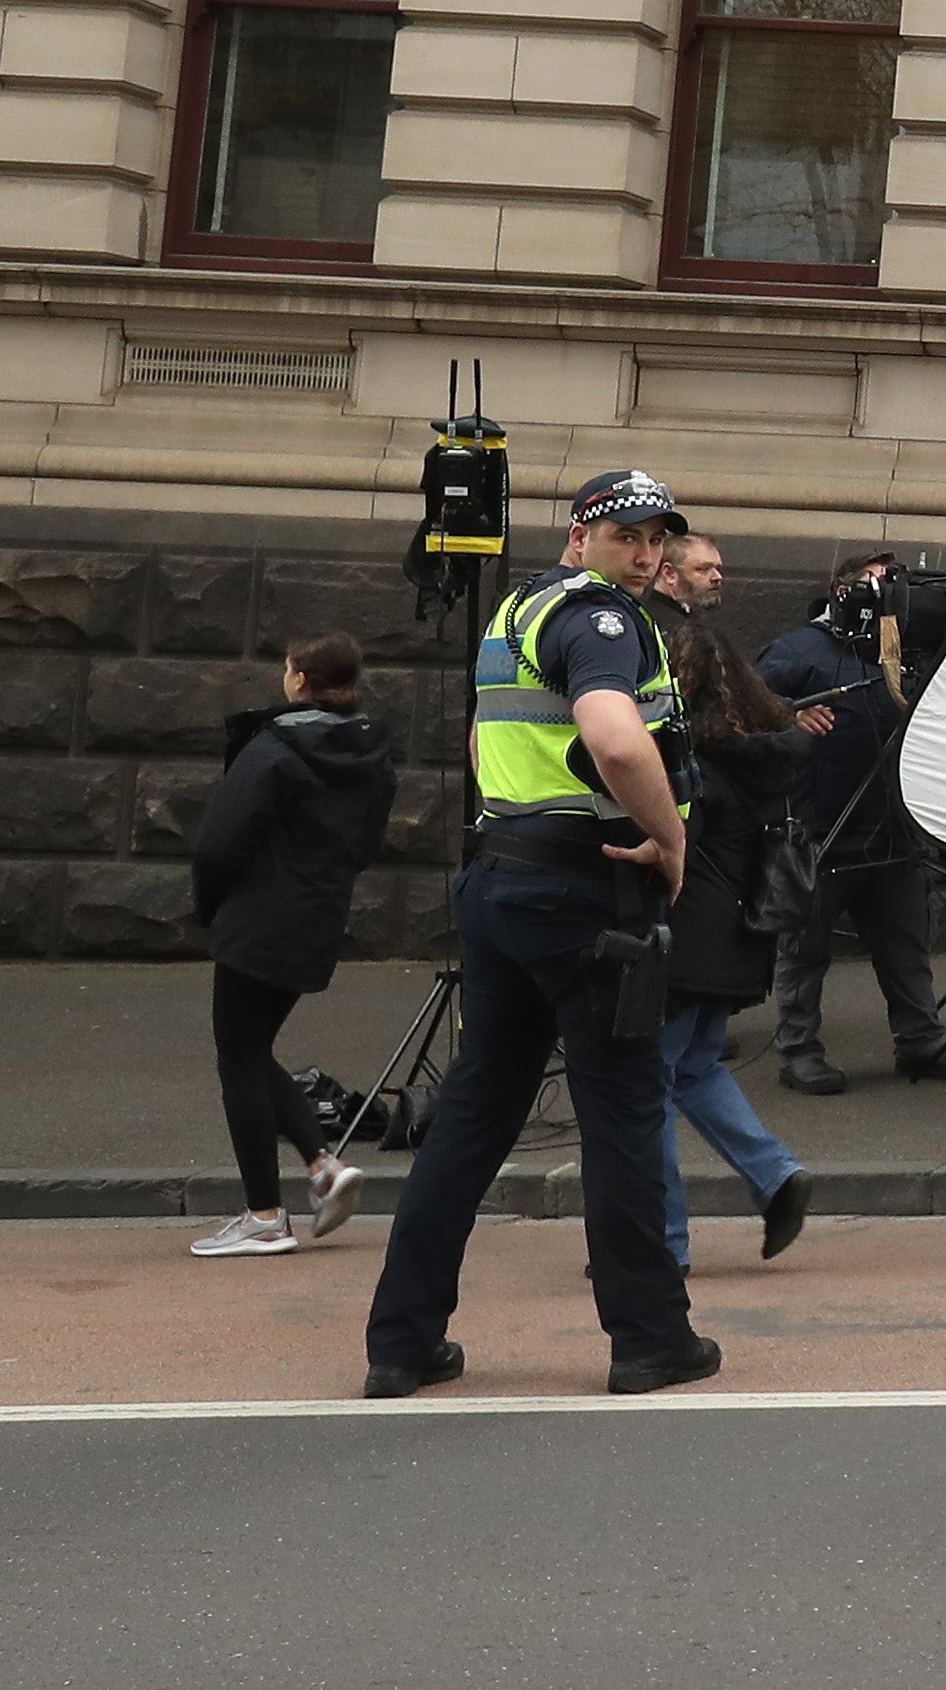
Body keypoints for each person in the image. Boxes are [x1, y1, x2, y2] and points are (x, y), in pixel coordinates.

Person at [361, 467, 718, 1400]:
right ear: (579, 535)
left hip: (500, 879)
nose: (643, 556)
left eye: (655, 540)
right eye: (624, 536)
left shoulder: (517, 607)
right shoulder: (600, 618)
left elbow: (486, 737)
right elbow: (612, 737)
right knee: (624, 1116)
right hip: (585, 892)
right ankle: (650, 1337)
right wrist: (671, 837)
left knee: (474, 1116)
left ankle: (402, 1339)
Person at [186, 633, 394, 1258]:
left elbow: (219, 841)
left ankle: (264, 1215)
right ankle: (322, 1167)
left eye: (286, 668)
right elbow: (368, 841)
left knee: (238, 1059)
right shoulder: (370, 752)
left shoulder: (275, 748)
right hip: (317, 914)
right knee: (251, 1049)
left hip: (257, 916)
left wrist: (210, 907)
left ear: (299, 680)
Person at [760, 552, 946, 1095]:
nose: (884, 596)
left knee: (905, 944)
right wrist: (788, 712)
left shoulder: (901, 652)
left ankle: (919, 1038)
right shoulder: (800, 648)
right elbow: (745, 703)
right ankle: (798, 1049)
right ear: (841, 589)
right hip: (818, 829)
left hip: (890, 828)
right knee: (804, 950)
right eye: (873, 585)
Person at [652, 587, 813, 1271]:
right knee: (692, 1066)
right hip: (740, 934)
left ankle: (659, 1239)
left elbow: (665, 843)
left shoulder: (689, 760)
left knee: (644, 1084)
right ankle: (775, 1174)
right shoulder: (762, 751)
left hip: (681, 934)